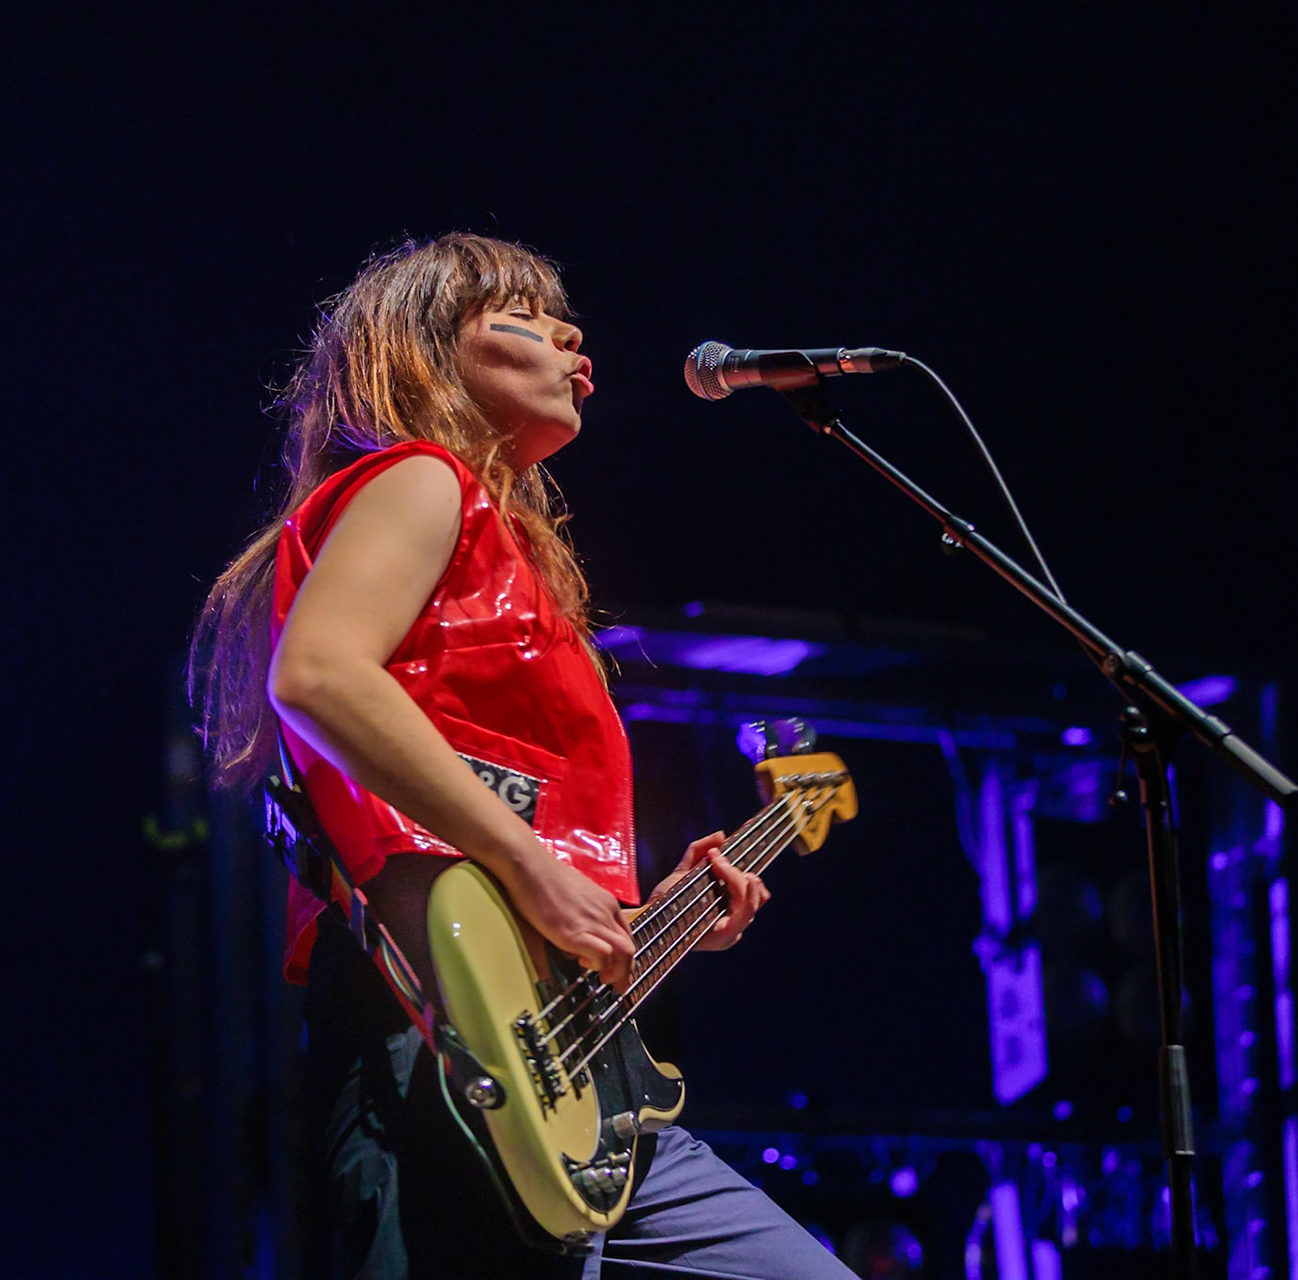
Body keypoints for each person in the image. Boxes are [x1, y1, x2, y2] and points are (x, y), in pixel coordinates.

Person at [190, 233, 853, 1279]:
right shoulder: (421, 479)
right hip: (438, 1057)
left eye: (562, 317)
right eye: (522, 316)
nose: (569, 333)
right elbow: (317, 674)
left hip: (582, 1090)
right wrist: (536, 869)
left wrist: (650, 920)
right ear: (424, 352)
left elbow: (517, 868)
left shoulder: (509, 555)